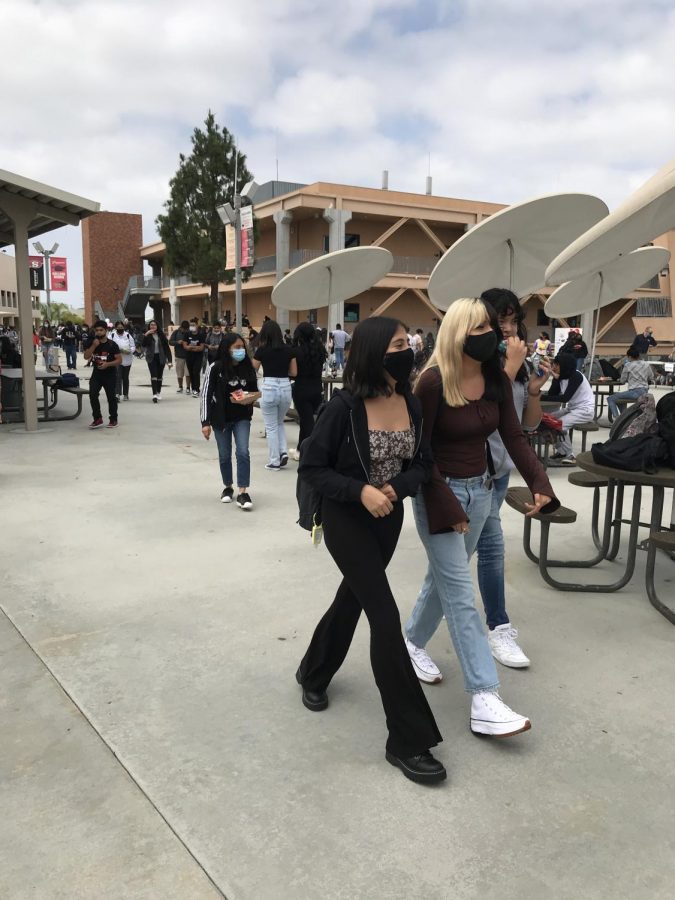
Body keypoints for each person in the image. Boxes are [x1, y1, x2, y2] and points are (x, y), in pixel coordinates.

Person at [297, 316, 445, 784]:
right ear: (374, 352)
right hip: (347, 518)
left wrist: (395, 489)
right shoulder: (343, 407)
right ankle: (408, 739)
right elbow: (312, 465)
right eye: (400, 344)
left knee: (353, 598)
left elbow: (422, 464)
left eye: (410, 342)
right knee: (383, 616)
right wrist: (360, 491)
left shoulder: (411, 402)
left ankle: (313, 671)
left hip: (388, 518)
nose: (409, 351)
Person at [403, 298, 558, 738]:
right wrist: (446, 504)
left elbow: (512, 433)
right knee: (459, 592)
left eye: (491, 326)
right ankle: (485, 696)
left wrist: (540, 481)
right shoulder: (432, 383)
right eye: (479, 328)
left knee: (442, 580)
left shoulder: (492, 377)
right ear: (456, 333)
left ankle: (410, 642)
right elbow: (420, 451)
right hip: (439, 495)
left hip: (482, 493)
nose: (491, 334)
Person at [201, 333, 260, 509]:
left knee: (243, 452)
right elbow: (206, 395)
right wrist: (205, 422)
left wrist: (248, 398)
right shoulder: (215, 368)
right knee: (224, 455)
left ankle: (243, 491)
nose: (241, 350)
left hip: (242, 417)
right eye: (237, 347)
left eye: (242, 347)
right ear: (227, 349)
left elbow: (253, 391)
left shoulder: (247, 367)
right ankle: (228, 487)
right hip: (221, 419)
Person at [252, 320, 297, 470]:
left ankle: (274, 460)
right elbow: (294, 372)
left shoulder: (261, 350)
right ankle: (283, 452)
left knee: (270, 426)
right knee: (279, 423)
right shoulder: (289, 350)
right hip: (285, 386)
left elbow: (253, 369)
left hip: (269, 386)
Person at [545, 352, 595, 464]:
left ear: (564, 365)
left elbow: (564, 398)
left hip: (585, 410)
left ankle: (570, 456)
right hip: (573, 408)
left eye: (556, 365)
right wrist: (555, 379)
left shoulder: (575, 376)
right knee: (547, 419)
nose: (554, 367)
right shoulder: (562, 377)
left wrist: (539, 396)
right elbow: (551, 394)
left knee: (559, 424)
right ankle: (561, 451)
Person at [291, 321, 327, 458]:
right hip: (317, 389)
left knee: (307, 423)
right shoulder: (319, 351)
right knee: (306, 421)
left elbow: (293, 373)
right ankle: (300, 450)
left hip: (301, 390)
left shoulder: (296, 352)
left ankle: (312, 453)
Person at [83, 320, 122, 428]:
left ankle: (113, 419)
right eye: (97, 330)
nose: (99, 332)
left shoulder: (112, 345)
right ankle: (97, 418)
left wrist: (107, 364)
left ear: (106, 330)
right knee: (93, 394)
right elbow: (86, 356)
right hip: (96, 375)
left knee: (111, 397)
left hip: (110, 375)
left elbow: (119, 360)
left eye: (101, 330)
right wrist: (93, 346)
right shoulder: (93, 343)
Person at [607, 347, 654, 419]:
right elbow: (651, 377)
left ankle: (616, 419)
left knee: (610, 398)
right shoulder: (646, 364)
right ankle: (624, 418)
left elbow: (622, 381)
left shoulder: (628, 365)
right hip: (645, 392)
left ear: (630, 356)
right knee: (619, 397)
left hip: (634, 392)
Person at [141, 320, 173, 403]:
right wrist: (146, 334)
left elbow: (167, 348)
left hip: (161, 357)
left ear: (157, 326)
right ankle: (154, 394)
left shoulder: (161, 335)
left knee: (159, 376)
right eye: (151, 325)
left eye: (154, 325)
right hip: (151, 358)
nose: (153, 326)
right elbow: (143, 344)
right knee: (153, 375)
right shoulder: (148, 335)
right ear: (149, 326)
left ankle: (158, 392)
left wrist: (170, 361)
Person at [180, 318, 206, 396]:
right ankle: (193, 388)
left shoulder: (201, 335)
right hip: (189, 357)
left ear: (197, 325)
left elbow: (201, 347)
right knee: (191, 373)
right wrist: (192, 347)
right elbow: (185, 346)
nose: (192, 326)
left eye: (193, 325)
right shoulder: (187, 334)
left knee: (196, 372)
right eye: (191, 325)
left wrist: (191, 347)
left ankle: (197, 389)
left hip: (198, 357)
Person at [111, 320, 135, 401]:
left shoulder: (128, 335)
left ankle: (126, 394)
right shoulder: (112, 335)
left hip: (127, 360)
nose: (120, 329)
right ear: (115, 328)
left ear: (124, 327)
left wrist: (129, 351)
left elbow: (133, 346)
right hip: (117, 359)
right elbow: (109, 345)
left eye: (121, 327)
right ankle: (117, 394)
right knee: (118, 376)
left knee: (125, 377)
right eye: (118, 327)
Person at [169, 320, 191, 394]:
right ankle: (180, 387)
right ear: (180, 327)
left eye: (186, 329)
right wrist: (177, 342)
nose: (184, 330)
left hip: (188, 356)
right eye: (183, 328)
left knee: (188, 373)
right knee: (179, 373)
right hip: (179, 356)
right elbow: (170, 342)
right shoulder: (176, 332)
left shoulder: (190, 332)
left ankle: (188, 387)